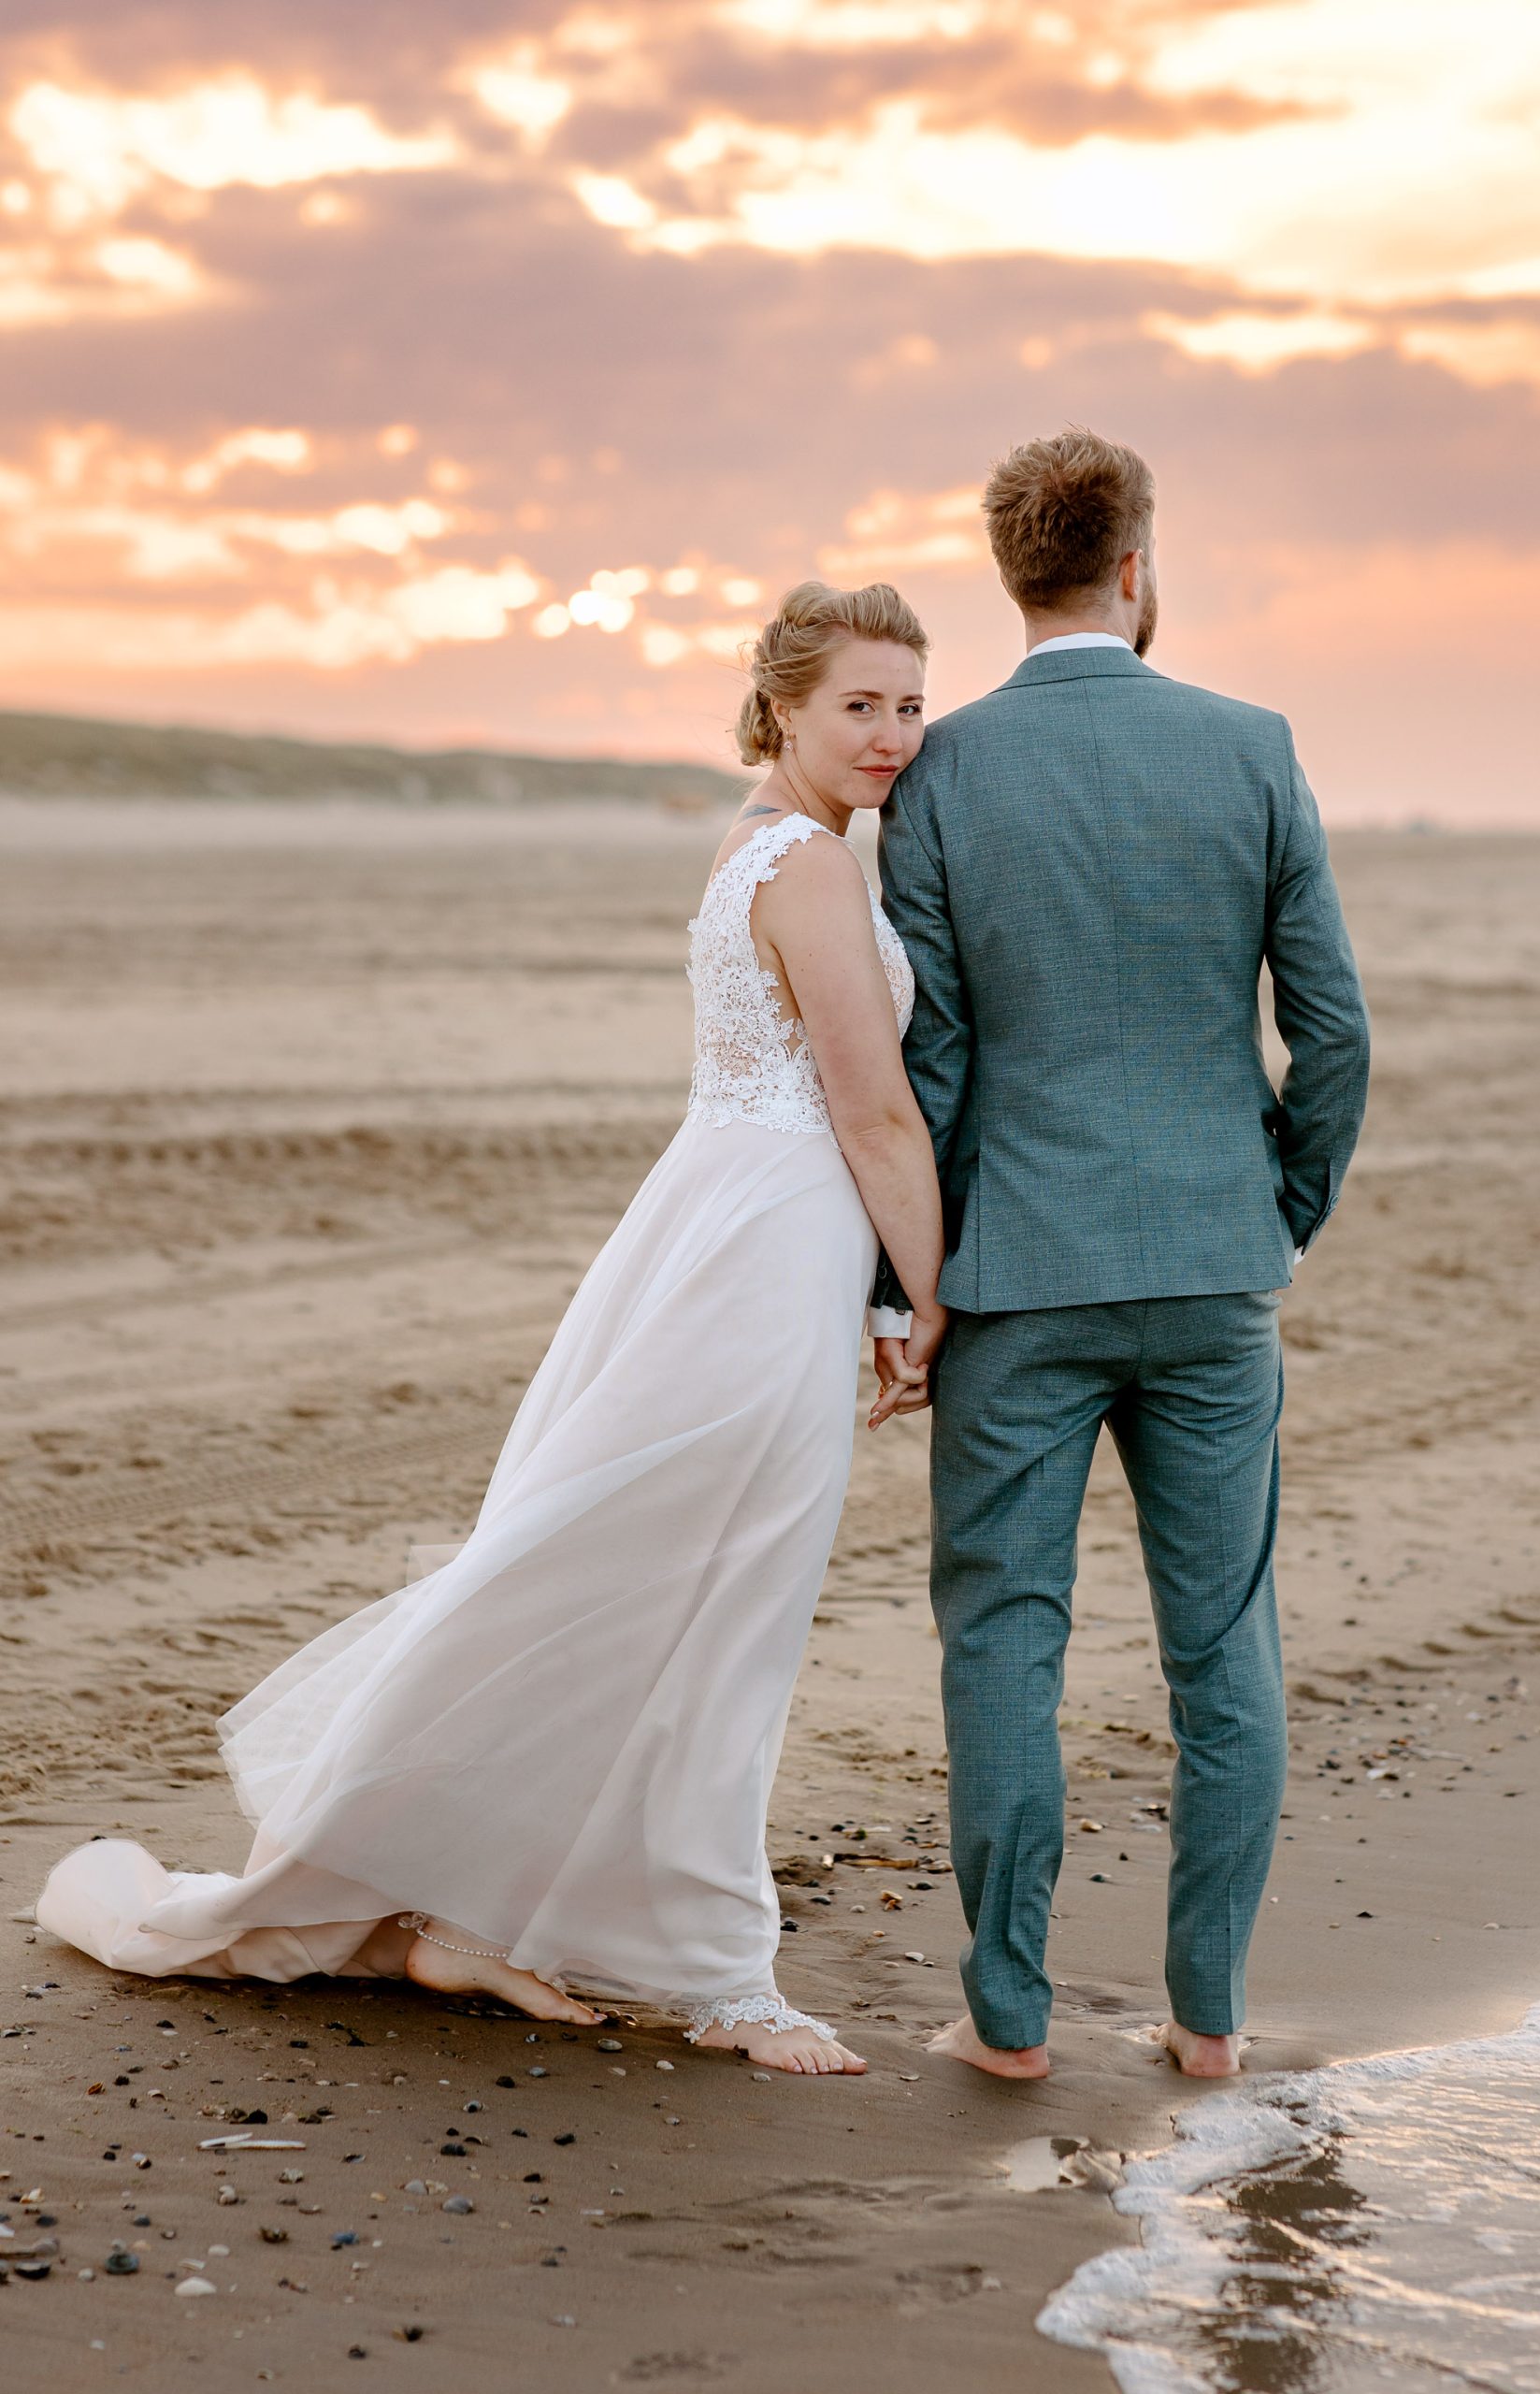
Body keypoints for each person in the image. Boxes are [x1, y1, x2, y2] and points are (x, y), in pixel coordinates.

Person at [36, 579, 945, 2079]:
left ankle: (468, 1917)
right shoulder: (814, 870)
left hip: (723, 1227)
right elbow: (870, 1110)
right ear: (782, 704)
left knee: (631, 1572)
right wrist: (928, 1297)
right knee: (719, 1601)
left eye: (912, 704)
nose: (894, 735)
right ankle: (721, 1974)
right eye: (861, 703)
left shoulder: (757, 847)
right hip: (763, 1247)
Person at [870, 428, 1371, 2082]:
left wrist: (910, 1286)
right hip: (1214, 1268)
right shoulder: (1251, 745)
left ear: (1013, 576)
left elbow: (930, 1063)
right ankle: (1207, 2018)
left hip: (1014, 1276)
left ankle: (1007, 2020)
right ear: (1138, 562)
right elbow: (1334, 1032)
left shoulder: (941, 769)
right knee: (1225, 1641)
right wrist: (1276, 1206)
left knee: (1003, 1631)